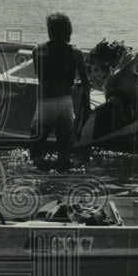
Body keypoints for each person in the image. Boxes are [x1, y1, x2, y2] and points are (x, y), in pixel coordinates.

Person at [29, 12, 91, 168]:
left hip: (46, 104)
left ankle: (38, 180)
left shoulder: (38, 50)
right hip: (65, 104)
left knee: (35, 151)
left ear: (50, 31)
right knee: (64, 152)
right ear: (68, 32)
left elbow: (40, 75)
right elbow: (86, 83)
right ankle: (63, 182)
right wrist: (88, 105)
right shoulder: (76, 53)